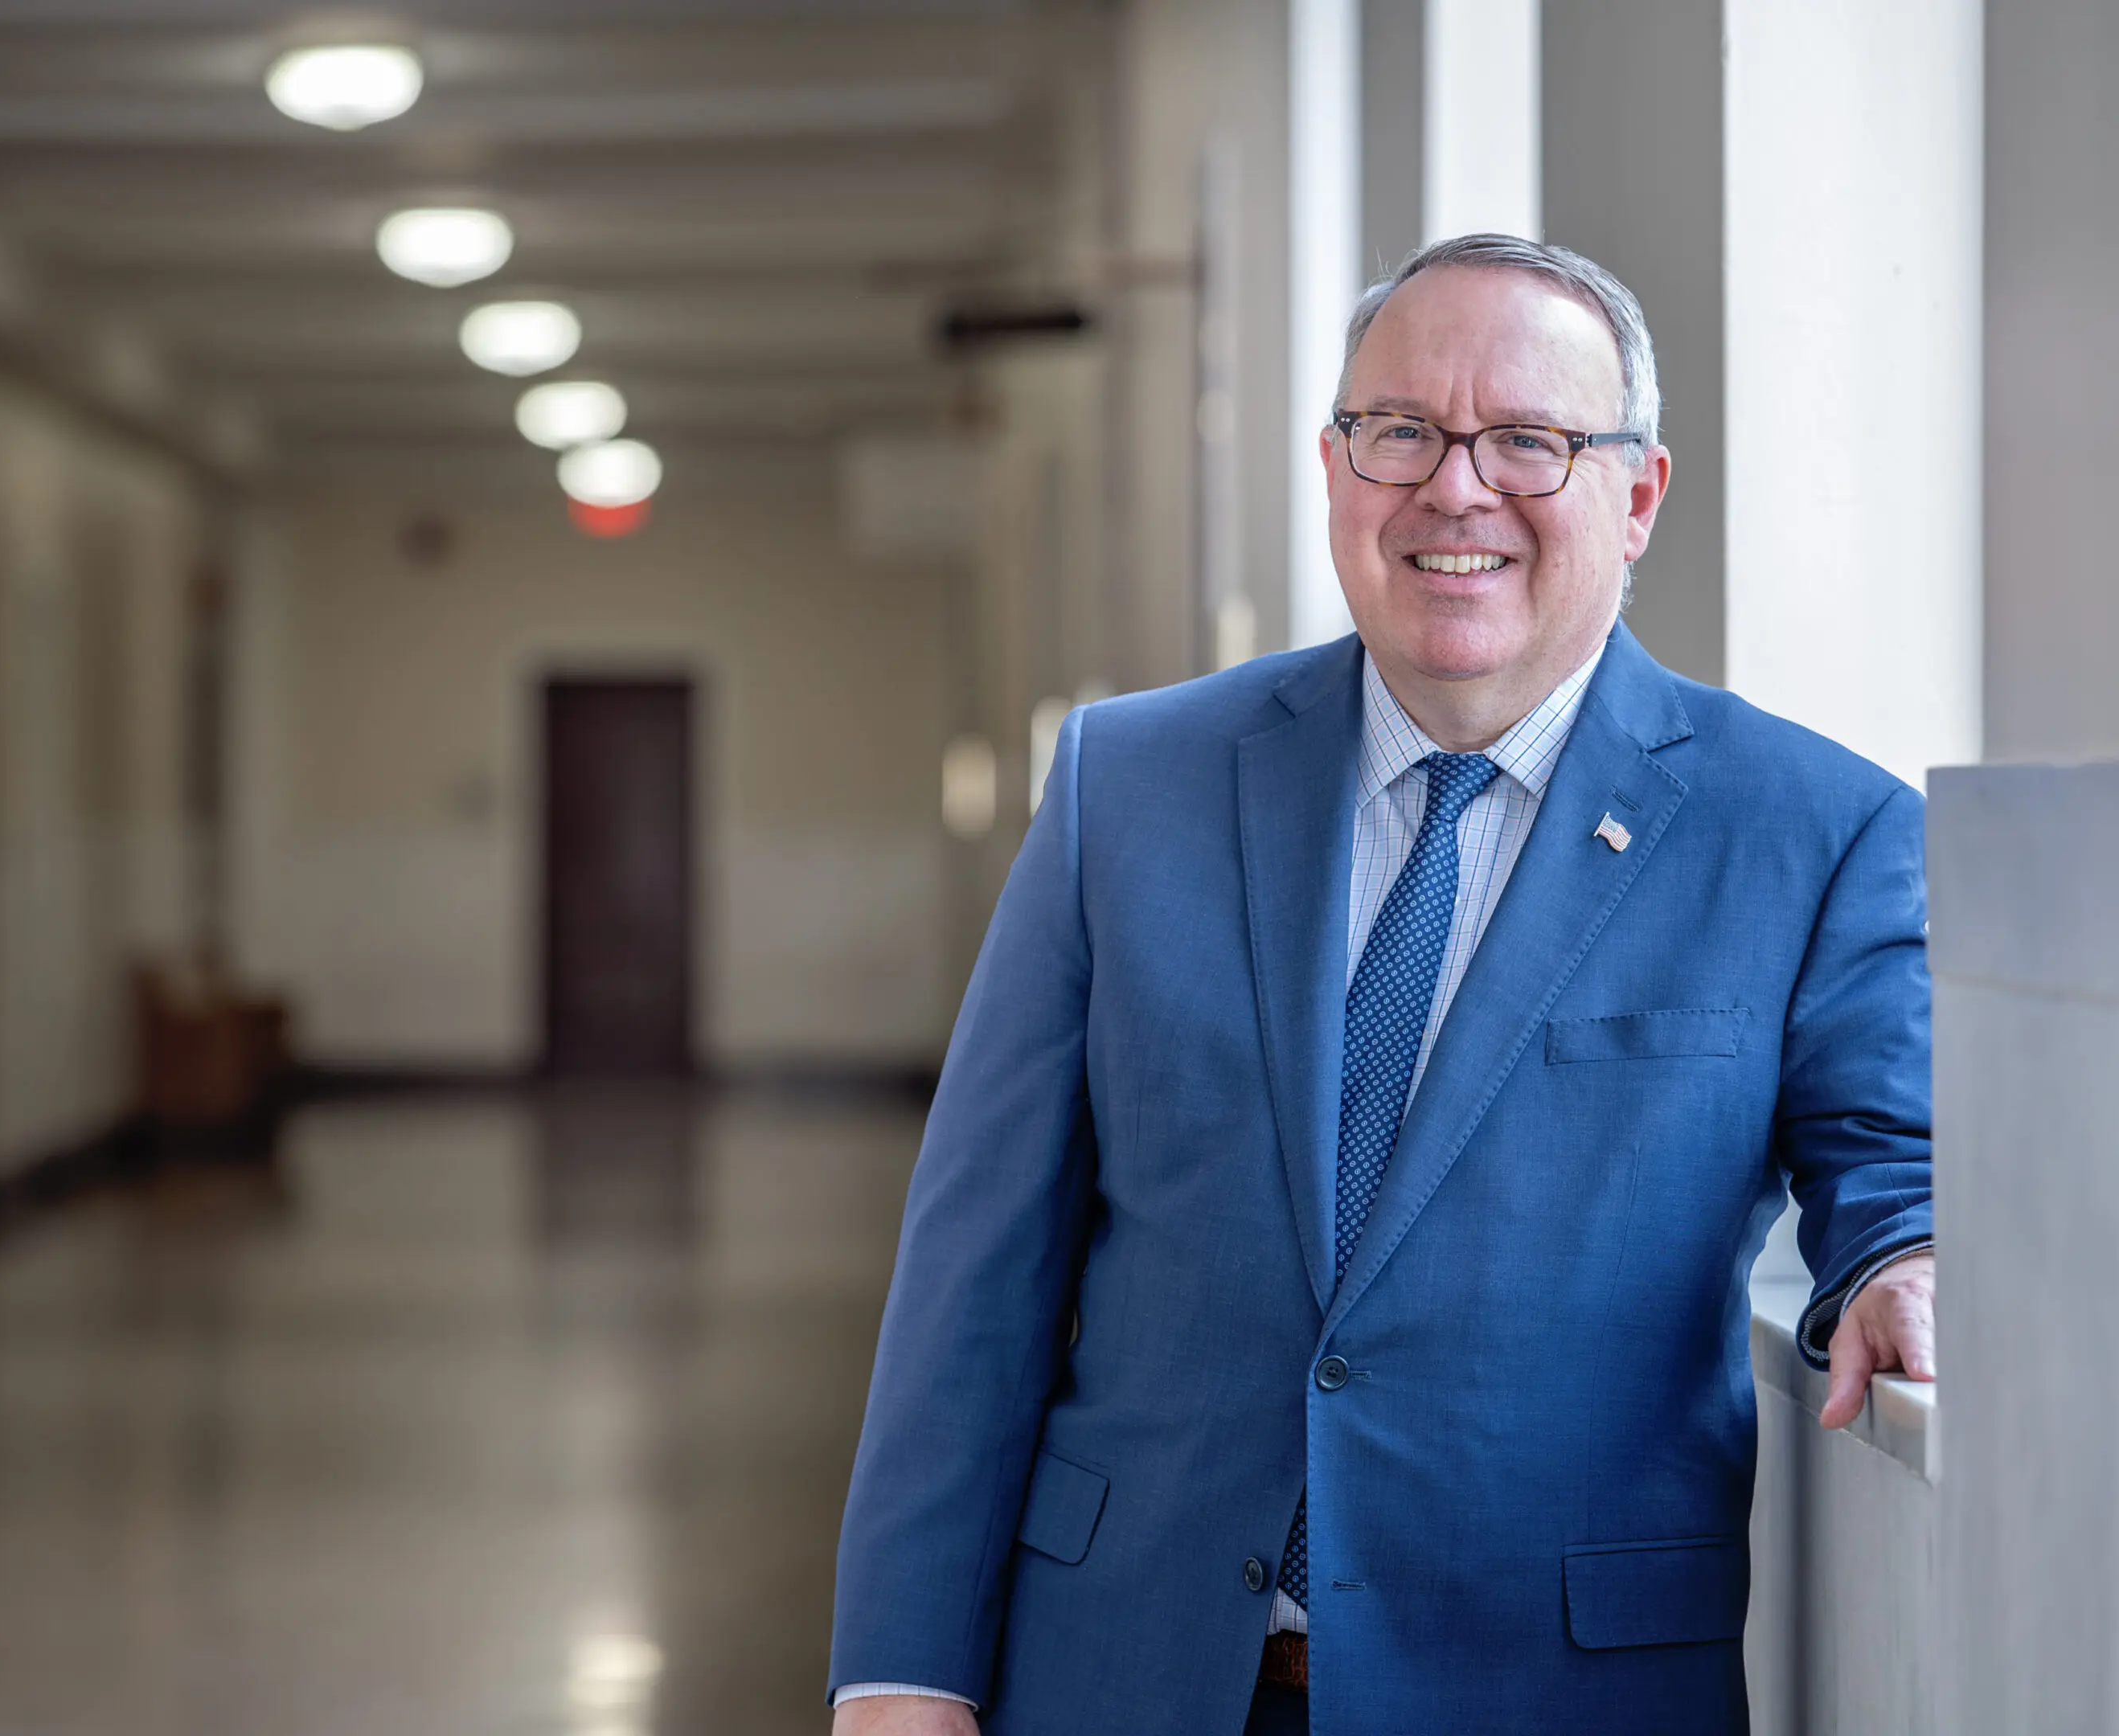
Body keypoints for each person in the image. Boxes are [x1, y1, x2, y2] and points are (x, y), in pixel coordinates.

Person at [827, 234, 1936, 1735]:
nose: (1455, 488)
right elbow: (977, 1271)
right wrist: (903, 1673)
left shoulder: (1814, 828)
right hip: (1122, 1672)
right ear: (1337, 469)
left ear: (1638, 496)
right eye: (1400, 431)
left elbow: (1891, 1150)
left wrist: (1898, 1261)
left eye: (1529, 442)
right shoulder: (1128, 786)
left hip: (1548, 1688)